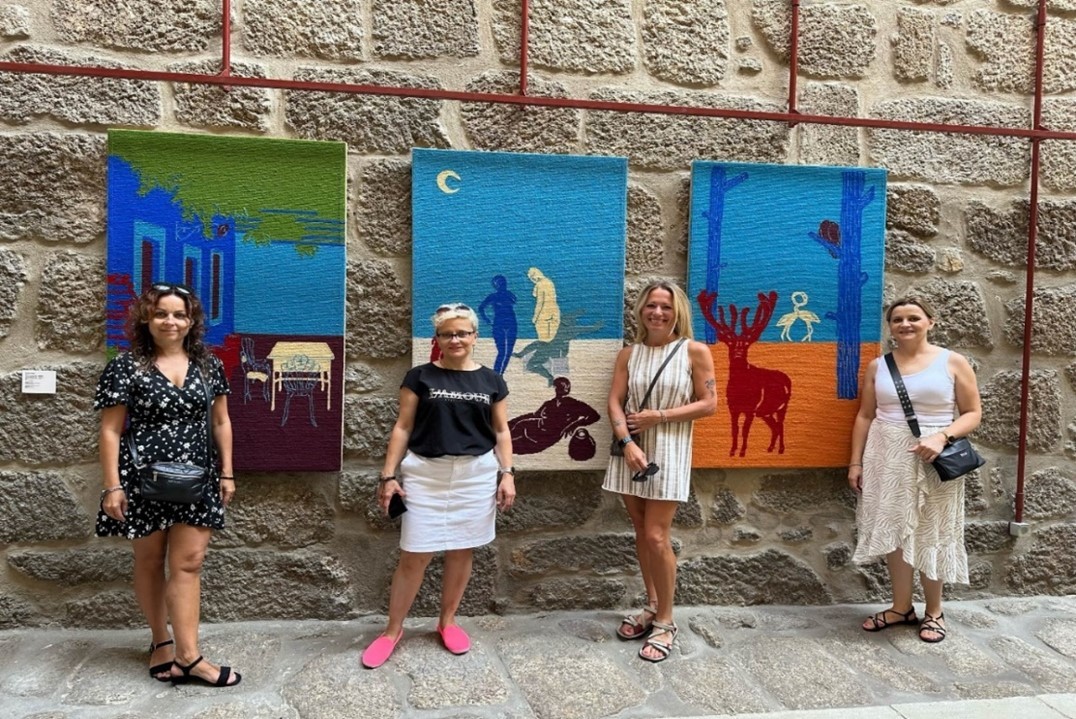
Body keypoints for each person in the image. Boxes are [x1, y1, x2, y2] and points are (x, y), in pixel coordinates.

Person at [96, 283, 240, 686]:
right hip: (143, 479)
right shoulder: (126, 367)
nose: (170, 321)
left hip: (197, 478)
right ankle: (161, 641)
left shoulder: (209, 365)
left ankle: (189, 656)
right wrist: (112, 486)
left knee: (189, 563)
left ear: (191, 321)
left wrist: (227, 471)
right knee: (148, 560)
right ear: (146, 318)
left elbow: (221, 421)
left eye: (179, 314)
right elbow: (110, 430)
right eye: (161, 313)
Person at [361, 302, 516, 669]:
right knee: (414, 554)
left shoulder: (492, 381)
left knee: (462, 550)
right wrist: (388, 476)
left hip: (475, 476)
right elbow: (403, 427)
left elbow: (501, 430)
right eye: (447, 334)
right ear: (437, 339)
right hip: (425, 474)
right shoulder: (420, 377)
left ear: (475, 336)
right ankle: (392, 630)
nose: (455, 339)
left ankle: (447, 622)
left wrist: (507, 473)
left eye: (462, 333)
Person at [849, 296, 982, 644]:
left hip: (935, 456)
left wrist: (941, 436)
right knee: (895, 531)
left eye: (913, 318)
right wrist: (856, 462)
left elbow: (973, 413)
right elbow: (865, 415)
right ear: (890, 327)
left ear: (930, 322)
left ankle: (934, 611)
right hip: (887, 456)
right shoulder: (878, 366)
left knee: (932, 531)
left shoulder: (953, 362)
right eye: (897, 320)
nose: (905, 324)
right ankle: (901, 607)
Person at [604, 281, 716, 663]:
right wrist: (626, 443)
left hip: (669, 450)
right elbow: (615, 402)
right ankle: (652, 605)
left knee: (656, 535)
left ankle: (666, 621)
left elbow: (709, 403)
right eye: (651, 305)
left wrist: (660, 416)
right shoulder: (629, 354)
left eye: (666, 307)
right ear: (641, 310)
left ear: (677, 312)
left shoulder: (693, 351)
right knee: (640, 529)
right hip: (630, 450)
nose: (657, 313)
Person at [478, 274, 518, 375]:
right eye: (500, 283)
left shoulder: (509, 294)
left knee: (508, 351)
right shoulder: (493, 296)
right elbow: (481, 307)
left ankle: (500, 374)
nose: (502, 285)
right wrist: (486, 319)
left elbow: (514, 300)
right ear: (496, 285)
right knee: (502, 351)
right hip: (499, 324)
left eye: (503, 283)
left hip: (511, 323)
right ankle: (496, 375)